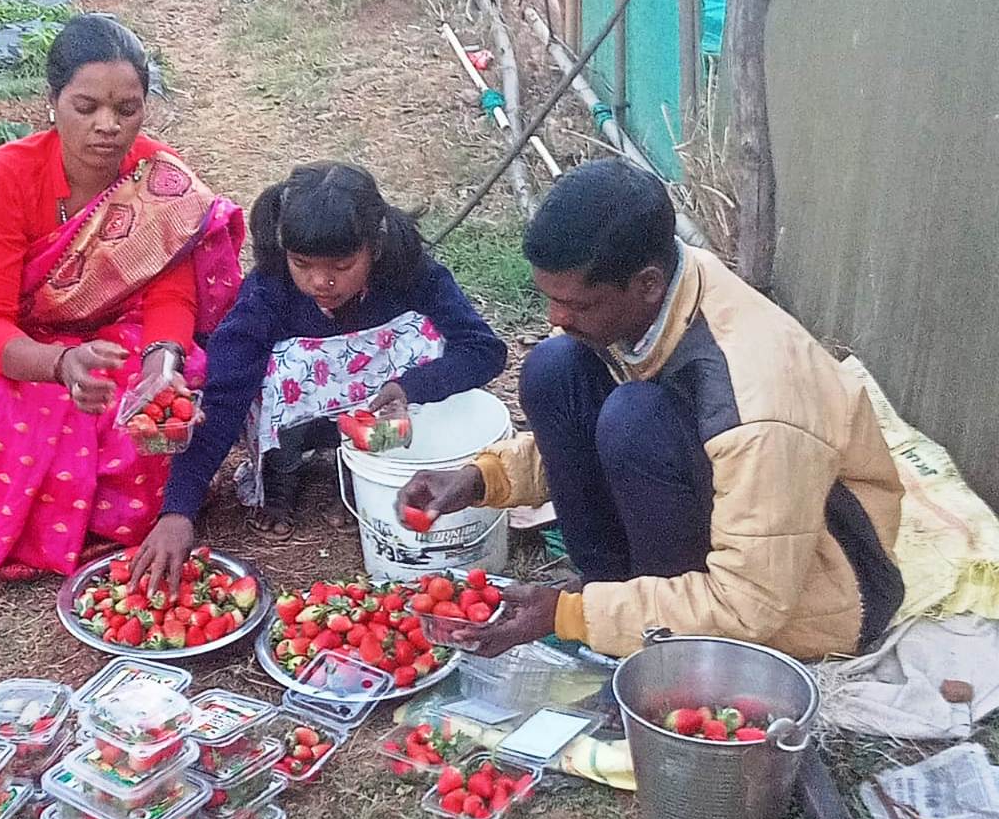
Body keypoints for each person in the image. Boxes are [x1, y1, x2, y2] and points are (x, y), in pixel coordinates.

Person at [397, 158, 905, 661]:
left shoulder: (758, 402)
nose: (556, 316)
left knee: (635, 420)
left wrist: (570, 616)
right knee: (557, 368)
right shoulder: (659, 294)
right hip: (734, 526)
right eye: (550, 299)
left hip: (826, 590)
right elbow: (580, 429)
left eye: (577, 304)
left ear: (647, 283)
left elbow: (751, 604)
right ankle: (614, 588)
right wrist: (481, 478)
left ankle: (653, 640)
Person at [0, 15, 244, 581]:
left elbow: (169, 295)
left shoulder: (159, 177)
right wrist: (60, 365)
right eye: (86, 108)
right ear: (53, 101)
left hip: (122, 331)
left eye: (127, 109)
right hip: (25, 341)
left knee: (153, 411)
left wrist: (162, 366)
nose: (108, 126)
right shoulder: (7, 175)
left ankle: (101, 521)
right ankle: (39, 524)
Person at [130, 161, 507, 590]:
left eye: (342, 265)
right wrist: (178, 509)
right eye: (302, 263)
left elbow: (484, 351)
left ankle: (359, 475)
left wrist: (409, 386)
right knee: (278, 364)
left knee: (423, 335)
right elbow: (224, 397)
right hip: (296, 419)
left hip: (381, 415)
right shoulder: (269, 294)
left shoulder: (413, 276)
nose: (320, 281)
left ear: (375, 246)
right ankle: (280, 474)